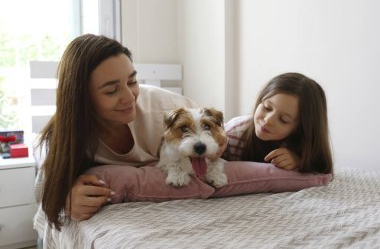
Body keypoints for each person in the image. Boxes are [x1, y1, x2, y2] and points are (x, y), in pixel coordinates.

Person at [37, 34, 213, 230]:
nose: (130, 98)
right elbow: (46, 188)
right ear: (82, 98)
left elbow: (214, 132)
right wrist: (66, 199)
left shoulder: (168, 108)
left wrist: (219, 144)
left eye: (132, 82)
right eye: (112, 90)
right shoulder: (67, 134)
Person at [222, 72, 333, 174]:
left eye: (283, 120)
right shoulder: (232, 133)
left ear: (299, 129)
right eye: (267, 108)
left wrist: (299, 161)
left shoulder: (302, 145)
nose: (268, 120)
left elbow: (321, 169)